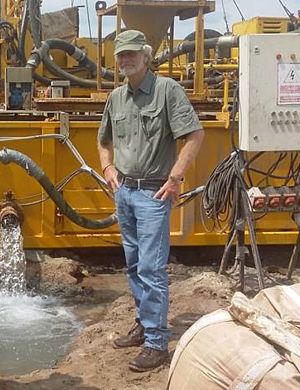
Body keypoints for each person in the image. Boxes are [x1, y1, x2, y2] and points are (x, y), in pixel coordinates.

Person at [97, 29, 204, 372]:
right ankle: (144, 326)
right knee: (132, 264)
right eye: (121, 56)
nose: (126, 60)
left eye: (132, 54)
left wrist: (175, 177)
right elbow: (103, 141)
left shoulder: (167, 90)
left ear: (145, 56)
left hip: (154, 193)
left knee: (151, 267)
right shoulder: (116, 98)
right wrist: (107, 166)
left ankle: (157, 342)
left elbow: (195, 135)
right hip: (125, 192)